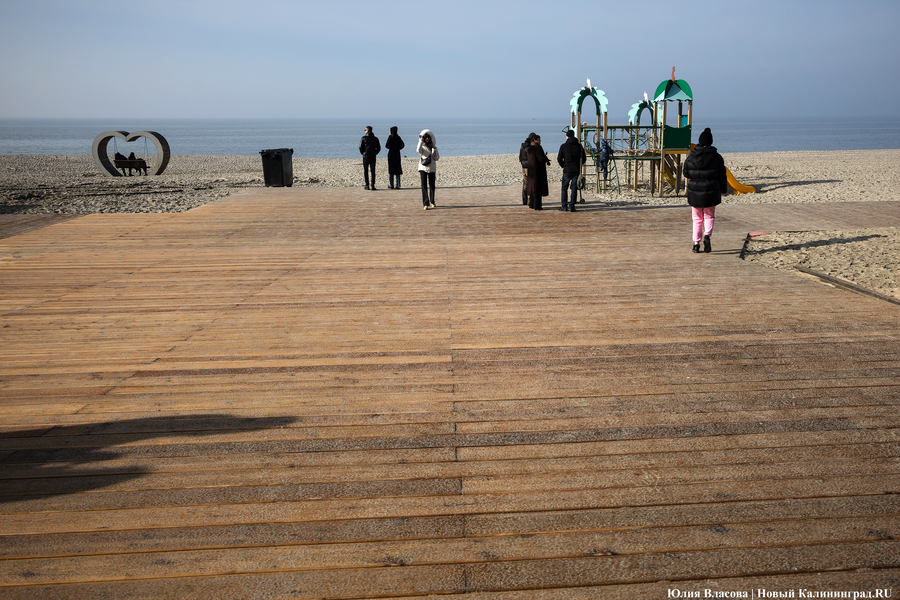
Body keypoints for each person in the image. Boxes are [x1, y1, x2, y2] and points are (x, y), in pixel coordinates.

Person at [683, 127, 727, 253]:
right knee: (709, 216)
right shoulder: (717, 157)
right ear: (711, 142)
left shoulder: (691, 157)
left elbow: (686, 173)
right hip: (711, 190)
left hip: (695, 191)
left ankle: (696, 244)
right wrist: (723, 190)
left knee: (697, 219)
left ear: (699, 141)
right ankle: (707, 235)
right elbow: (722, 175)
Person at [557, 130, 586, 212]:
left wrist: (563, 165)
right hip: (576, 169)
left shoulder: (563, 146)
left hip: (567, 169)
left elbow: (559, 159)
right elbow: (583, 158)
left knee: (564, 188)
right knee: (574, 188)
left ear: (567, 136)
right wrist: (579, 165)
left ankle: (564, 205)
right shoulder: (579, 146)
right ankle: (572, 206)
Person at [525, 133, 550, 210]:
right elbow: (540, 158)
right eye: (539, 139)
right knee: (537, 189)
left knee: (532, 188)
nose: (540, 141)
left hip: (531, 170)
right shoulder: (537, 147)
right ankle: (537, 206)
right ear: (535, 140)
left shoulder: (529, 148)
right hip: (538, 170)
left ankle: (531, 204)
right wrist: (545, 158)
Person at [416, 129, 439, 210]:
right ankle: (425, 203)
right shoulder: (422, 146)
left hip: (432, 167)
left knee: (432, 185)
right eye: (426, 138)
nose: (427, 139)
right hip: (423, 167)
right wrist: (420, 141)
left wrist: (434, 154)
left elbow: (437, 158)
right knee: (424, 185)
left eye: (428, 138)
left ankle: (432, 201)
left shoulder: (434, 147)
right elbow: (418, 150)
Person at [358, 126, 381, 190]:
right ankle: (373, 185)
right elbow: (379, 148)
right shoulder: (375, 138)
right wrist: (375, 153)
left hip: (365, 156)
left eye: (365, 130)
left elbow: (360, 147)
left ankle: (367, 185)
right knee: (373, 171)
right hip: (373, 156)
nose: (365, 131)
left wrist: (363, 153)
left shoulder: (363, 138)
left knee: (366, 171)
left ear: (367, 130)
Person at [519, 136, 531, 205]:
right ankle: (529, 201)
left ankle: (524, 200)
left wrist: (522, 163)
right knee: (530, 184)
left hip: (523, 166)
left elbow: (520, 157)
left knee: (525, 184)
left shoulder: (522, 147)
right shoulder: (529, 148)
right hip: (529, 166)